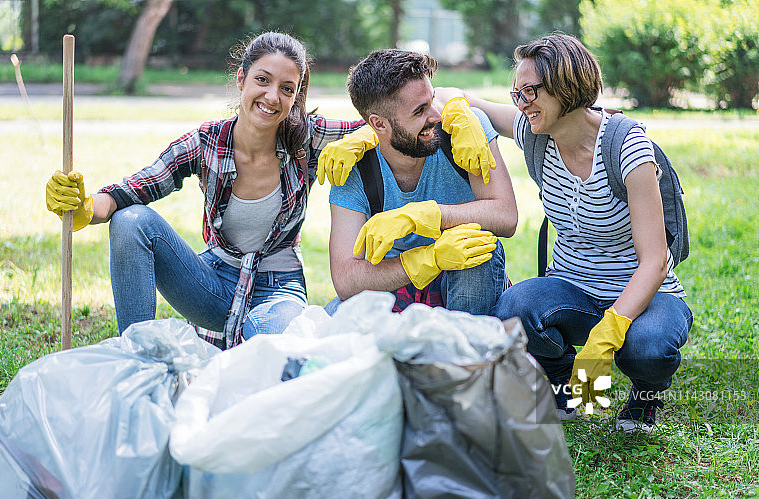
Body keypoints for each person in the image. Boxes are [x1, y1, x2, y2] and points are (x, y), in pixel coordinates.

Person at [44, 32, 368, 349]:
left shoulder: (305, 138)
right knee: (130, 221)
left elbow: (386, 126)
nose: (272, 97)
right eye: (263, 80)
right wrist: (85, 206)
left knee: (274, 357)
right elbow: (133, 191)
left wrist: (363, 138)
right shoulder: (207, 142)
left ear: (296, 97)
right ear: (241, 79)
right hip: (212, 283)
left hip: (278, 288)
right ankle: (136, 358)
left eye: (287, 89)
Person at [441, 33, 693, 432]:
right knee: (515, 310)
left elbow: (654, 262)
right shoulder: (534, 133)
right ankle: (564, 383)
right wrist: (458, 114)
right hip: (573, 289)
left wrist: (606, 335)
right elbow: (452, 96)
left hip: (645, 295)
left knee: (647, 349)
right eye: (516, 93)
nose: (521, 105)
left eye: (530, 92)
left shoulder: (628, 148)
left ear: (566, 84)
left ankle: (645, 397)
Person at [320, 49, 517, 315]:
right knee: (333, 321)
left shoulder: (463, 133)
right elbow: (346, 279)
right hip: (397, 282)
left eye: (433, 100)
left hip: (465, 281)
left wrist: (428, 215)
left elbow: (506, 216)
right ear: (379, 124)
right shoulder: (351, 163)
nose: (436, 115)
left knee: (478, 250)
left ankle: (466, 353)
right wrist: (426, 260)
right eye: (420, 111)